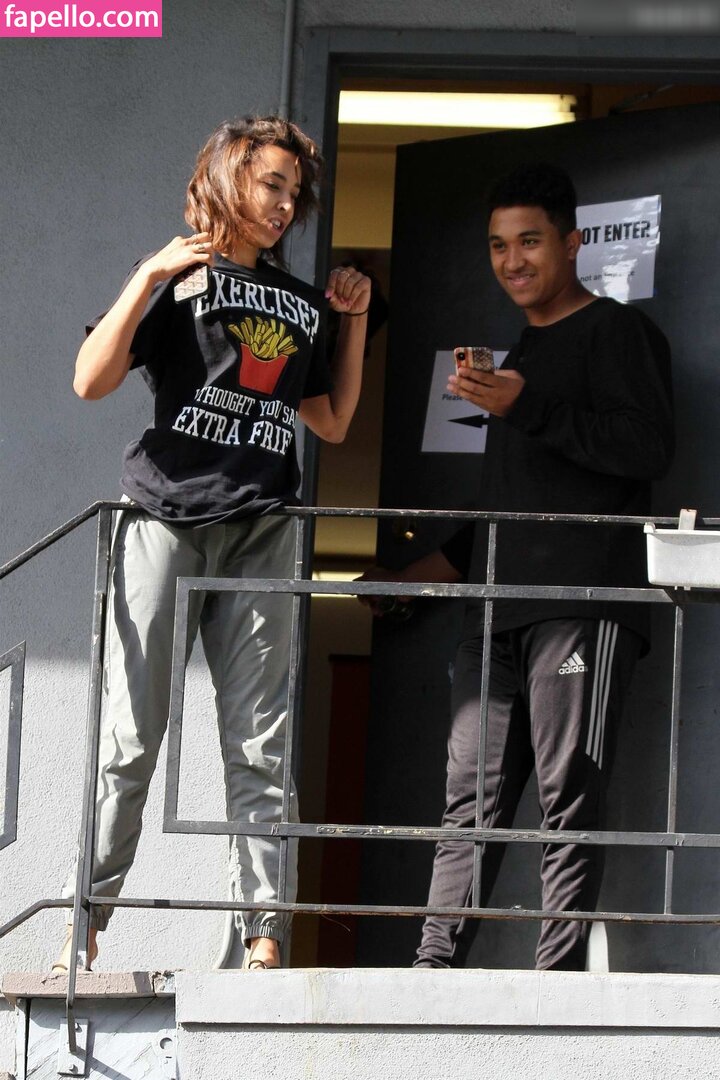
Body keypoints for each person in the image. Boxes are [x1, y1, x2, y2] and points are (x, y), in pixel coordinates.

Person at [55, 116, 371, 973]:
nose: (285, 204)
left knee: (261, 740)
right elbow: (89, 380)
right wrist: (149, 273)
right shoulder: (179, 278)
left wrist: (352, 323)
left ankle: (265, 936)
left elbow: (332, 421)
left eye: (294, 192)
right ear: (230, 178)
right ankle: (85, 923)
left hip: (263, 525)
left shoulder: (298, 300)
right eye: (271, 184)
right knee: (132, 734)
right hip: (166, 519)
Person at [361, 163, 674, 971]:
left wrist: (522, 404)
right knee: (468, 801)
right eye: (499, 246)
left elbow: (647, 449)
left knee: (569, 797)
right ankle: (433, 970)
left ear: (573, 243)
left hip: (582, 603)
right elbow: (511, 504)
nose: (512, 261)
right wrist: (413, 577)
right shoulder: (522, 352)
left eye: (529, 241)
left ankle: (554, 982)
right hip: (495, 614)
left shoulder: (619, 332)